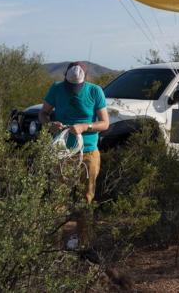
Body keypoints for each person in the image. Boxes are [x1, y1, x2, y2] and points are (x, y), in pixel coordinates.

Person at [39, 61, 109, 248]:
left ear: (85, 79)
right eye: (71, 86)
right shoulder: (56, 89)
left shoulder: (95, 91)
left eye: (77, 86)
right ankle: (54, 244)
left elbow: (105, 123)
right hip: (62, 152)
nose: (73, 89)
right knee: (58, 197)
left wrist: (86, 126)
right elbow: (43, 113)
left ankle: (84, 243)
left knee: (86, 196)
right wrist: (50, 124)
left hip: (88, 152)